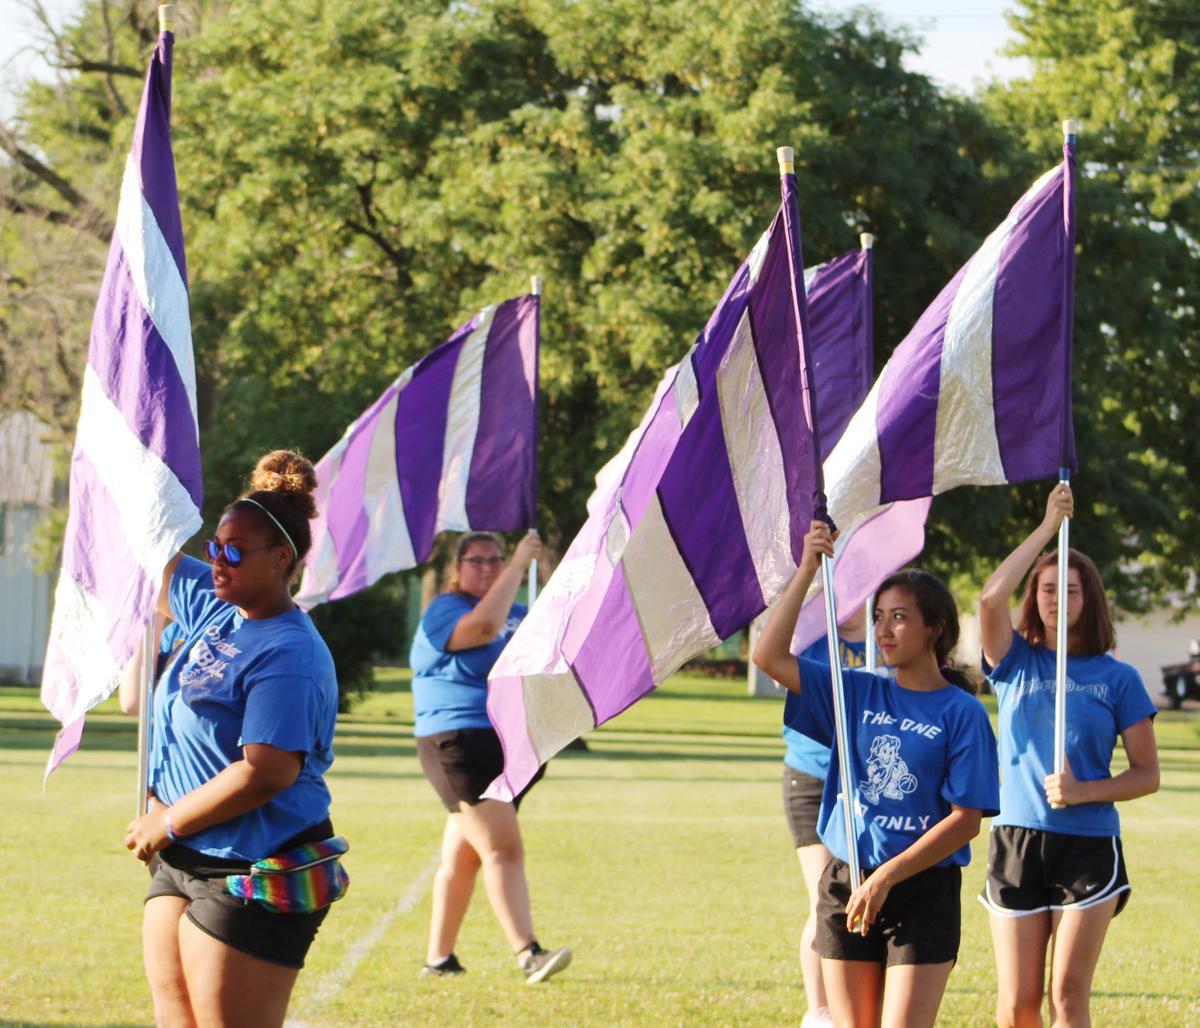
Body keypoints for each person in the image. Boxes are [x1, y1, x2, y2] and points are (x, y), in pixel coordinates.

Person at [123, 450, 343, 1028]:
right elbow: (149, 557)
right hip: (184, 856)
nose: (218, 562)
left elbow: (266, 772)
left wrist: (166, 821)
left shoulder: (289, 651)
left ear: (282, 559)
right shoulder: (218, 607)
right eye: (214, 548)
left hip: (254, 865)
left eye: (235, 552)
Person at [755, 521, 999, 1028]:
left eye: (900, 618)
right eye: (880, 617)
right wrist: (805, 571)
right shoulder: (859, 691)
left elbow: (966, 820)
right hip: (847, 881)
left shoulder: (963, 712)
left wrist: (887, 877)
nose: (883, 630)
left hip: (921, 890)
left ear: (934, 627)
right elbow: (769, 656)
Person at [978, 484, 1159, 1028]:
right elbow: (989, 600)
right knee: (1016, 1004)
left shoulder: (1118, 678)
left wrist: (1084, 792)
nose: (1058, 599)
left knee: (1068, 997)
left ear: (1091, 600)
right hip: (1016, 839)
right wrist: (1045, 528)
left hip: (1088, 845)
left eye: (1072, 591)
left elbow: (1147, 775)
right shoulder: (1014, 663)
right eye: (1048, 589)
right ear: (1035, 596)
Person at [411, 530, 571, 984]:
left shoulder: (520, 614)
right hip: (458, 743)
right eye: (476, 560)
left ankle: (439, 959)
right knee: (502, 848)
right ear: (457, 569)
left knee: (463, 857)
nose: (487, 567)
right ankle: (528, 953)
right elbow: (480, 629)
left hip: (508, 746)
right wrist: (520, 563)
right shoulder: (444, 611)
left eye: (495, 560)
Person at [781, 605, 872, 1028]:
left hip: (867, 785)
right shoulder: (812, 635)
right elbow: (773, 645)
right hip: (814, 779)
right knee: (824, 897)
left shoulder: (883, 641)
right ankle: (820, 1014)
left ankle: (858, 1001)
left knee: (862, 895)